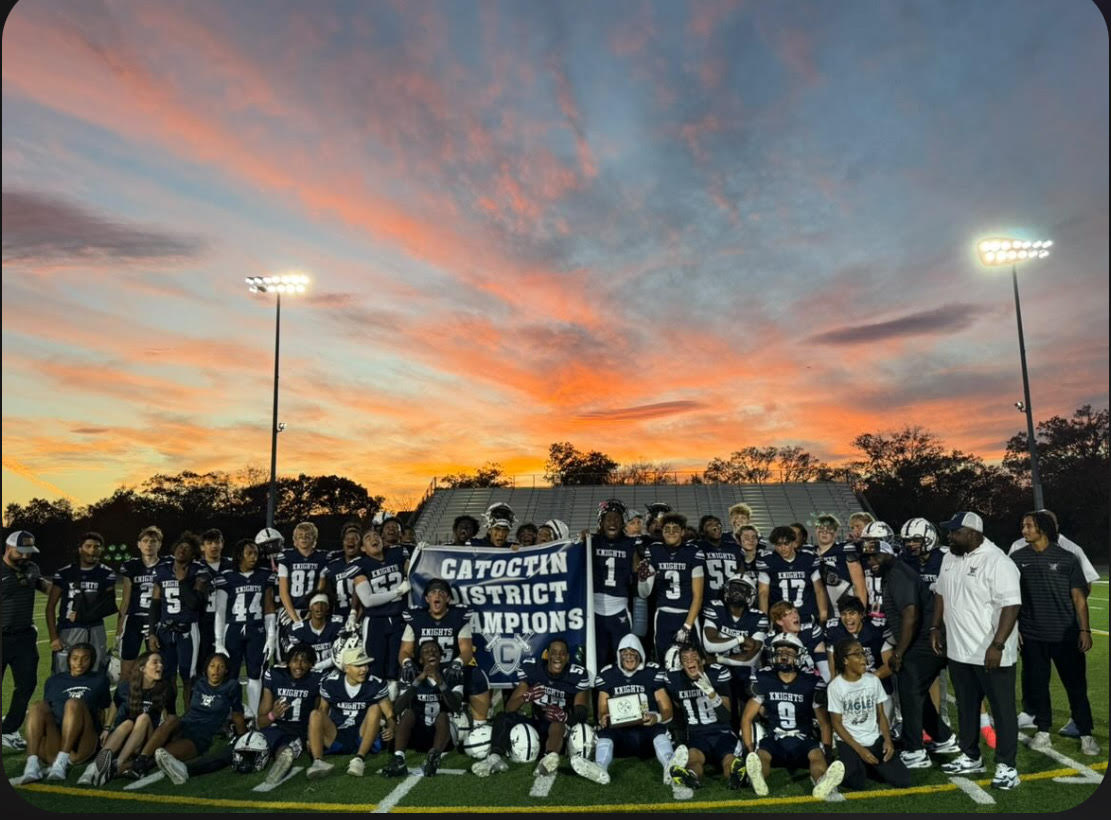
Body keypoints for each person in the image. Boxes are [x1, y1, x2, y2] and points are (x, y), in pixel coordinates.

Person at [931, 512, 1022, 790]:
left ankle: (1007, 767)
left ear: (973, 533)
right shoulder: (949, 557)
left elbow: (1011, 605)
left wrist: (998, 644)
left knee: (1002, 711)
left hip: (990, 653)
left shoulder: (998, 562)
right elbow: (941, 594)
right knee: (968, 709)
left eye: (955, 532)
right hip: (959, 652)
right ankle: (971, 755)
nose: (950, 536)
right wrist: (936, 627)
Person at [859, 539, 957, 768]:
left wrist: (900, 652)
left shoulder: (898, 574)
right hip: (922, 641)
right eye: (867, 558)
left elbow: (911, 613)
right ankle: (943, 738)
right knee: (915, 692)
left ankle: (915, 750)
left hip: (925, 642)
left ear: (888, 554)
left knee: (910, 692)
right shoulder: (896, 572)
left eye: (875, 556)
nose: (871, 561)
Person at [1010, 511, 1097, 756]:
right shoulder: (1016, 559)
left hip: (1066, 635)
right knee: (1039, 686)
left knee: (1076, 686)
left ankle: (1086, 734)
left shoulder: (1068, 558)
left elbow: (1079, 598)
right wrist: (1016, 628)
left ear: (1043, 529)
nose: (1024, 531)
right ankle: (1043, 732)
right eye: (1023, 525)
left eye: (1028, 526)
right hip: (1033, 635)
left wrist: (1084, 630)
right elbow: (1012, 598)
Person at [570, 634, 692, 800]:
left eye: (633, 654)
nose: (629, 658)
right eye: (625, 654)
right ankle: (600, 768)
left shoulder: (652, 672)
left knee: (659, 730)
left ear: (640, 654)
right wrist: (604, 717)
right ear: (619, 655)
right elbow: (602, 709)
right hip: (620, 737)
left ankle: (670, 765)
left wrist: (656, 717)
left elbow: (667, 711)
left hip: (647, 734)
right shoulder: (608, 674)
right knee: (605, 732)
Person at [740, 633, 843, 799]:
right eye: (779, 651)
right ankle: (758, 780)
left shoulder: (811, 681)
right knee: (761, 758)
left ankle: (822, 782)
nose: (783, 656)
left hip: (803, 738)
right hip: (774, 738)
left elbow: (824, 723)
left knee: (817, 757)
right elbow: (747, 718)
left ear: (800, 655)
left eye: (789, 651)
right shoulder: (764, 678)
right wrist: (750, 751)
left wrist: (827, 752)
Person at [471, 636, 590, 779]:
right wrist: (527, 696)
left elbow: (582, 711)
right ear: (547, 654)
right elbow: (510, 707)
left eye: (562, 653)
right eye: (554, 652)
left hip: (561, 726)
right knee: (503, 716)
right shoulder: (534, 669)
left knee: (557, 721)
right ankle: (494, 757)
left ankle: (549, 758)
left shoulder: (577, 674)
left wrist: (565, 716)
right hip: (537, 721)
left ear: (568, 657)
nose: (558, 657)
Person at [133, 652, 248, 786]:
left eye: (220, 667)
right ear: (206, 668)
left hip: (202, 733)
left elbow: (237, 714)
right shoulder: (199, 683)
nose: (215, 670)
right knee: (171, 719)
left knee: (161, 754)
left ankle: (137, 765)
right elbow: (189, 709)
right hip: (185, 723)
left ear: (226, 670)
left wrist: (244, 738)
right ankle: (141, 759)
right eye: (212, 666)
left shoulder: (231, 686)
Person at [400, 578, 491, 724]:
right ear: (427, 598)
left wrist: (457, 663)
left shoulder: (458, 617)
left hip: (450, 669)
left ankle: (480, 725)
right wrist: (407, 663)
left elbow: (467, 650)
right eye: (433, 592)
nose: (437, 596)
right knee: (405, 672)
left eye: (442, 592)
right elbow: (404, 651)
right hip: (424, 670)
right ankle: (401, 721)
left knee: (476, 676)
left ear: (448, 598)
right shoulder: (416, 618)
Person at [18, 642, 111, 783]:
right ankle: (32, 765)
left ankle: (61, 762)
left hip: (83, 743)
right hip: (55, 742)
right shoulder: (53, 681)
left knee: (73, 703)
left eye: (85, 658)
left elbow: (105, 709)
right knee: (37, 706)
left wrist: (106, 730)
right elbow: (45, 714)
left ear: (92, 660)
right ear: (68, 659)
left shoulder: (99, 680)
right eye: (75, 658)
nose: (79, 663)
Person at [827, 638, 912, 791]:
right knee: (856, 783)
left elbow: (881, 715)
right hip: (850, 743)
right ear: (845, 660)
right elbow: (837, 724)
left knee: (903, 780)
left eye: (863, 654)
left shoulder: (873, 681)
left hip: (874, 740)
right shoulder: (835, 687)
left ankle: (865, 766)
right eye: (857, 655)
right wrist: (860, 750)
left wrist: (887, 741)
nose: (864, 659)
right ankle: (853, 764)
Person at [78, 650, 174, 785]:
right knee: (127, 723)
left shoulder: (165, 689)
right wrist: (106, 728)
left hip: (146, 742)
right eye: (155, 662)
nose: (160, 666)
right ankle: (93, 768)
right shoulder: (125, 687)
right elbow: (115, 705)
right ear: (142, 669)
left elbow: (169, 717)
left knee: (144, 718)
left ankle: (117, 764)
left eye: (161, 663)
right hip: (123, 738)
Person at [664, 643, 746, 791]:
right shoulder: (675, 679)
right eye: (685, 659)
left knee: (728, 760)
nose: (689, 661)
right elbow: (677, 708)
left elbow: (726, 716)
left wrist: (712, 695)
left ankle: (736, 776)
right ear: (681, 664)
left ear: (702, 661)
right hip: (697, 734)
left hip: (722, 733)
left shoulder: (717, 673)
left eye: (694, 657)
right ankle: (690, 776)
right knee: (694, 759)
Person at [306, 645, 395, 779]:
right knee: (315, 714)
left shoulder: (375, 684)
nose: (364, 669)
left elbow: (389, 714)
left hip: (363, 735)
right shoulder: (331, 684)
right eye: (359, 666)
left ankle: (359, 759)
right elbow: (322, 712)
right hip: (337, 735)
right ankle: (318, 761)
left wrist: (392, 727)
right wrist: (313, 737)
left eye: (365, 665)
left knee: (375, 708)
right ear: (347, 668)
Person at [212, 537, 276, 718]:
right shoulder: (227, 577)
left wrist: (271, 635)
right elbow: (221, 610)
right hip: (233, 629)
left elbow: (269, 606)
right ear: (239, 555)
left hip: (256, 629)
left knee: (256, 674)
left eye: (255, 553)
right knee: (230, 674)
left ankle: (255, 715)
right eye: (249, 553)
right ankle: (233, 714)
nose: (254, 557)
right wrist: (219, 641)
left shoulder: (264, 575)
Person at [383, 639, 463, 778]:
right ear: (420, 660)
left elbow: (456, 707)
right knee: (408, 714)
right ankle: (398, 759)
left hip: (442, 736)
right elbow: (397, 709)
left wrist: (441, 683)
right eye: (426, 652)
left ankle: (433, 759)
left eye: (434, 651)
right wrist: (417, 681)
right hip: (416, 734)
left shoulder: (452, 675)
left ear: (441, 656)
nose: (431, 653)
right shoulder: (410, 675)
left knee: (442, 715)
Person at [148, 531, 211, 709]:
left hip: (188, 630)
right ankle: (170, 716)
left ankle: (189, 717)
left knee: (188, 676)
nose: (182, 550)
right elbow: (155, 604)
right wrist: (152, 633)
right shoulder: (162, 570)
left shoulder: (199, 571)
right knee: (166, 676)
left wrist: (183, 583)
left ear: (193, 555)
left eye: (187, 549)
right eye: (180, 546)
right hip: (165, 630)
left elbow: (195, 604)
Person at [2, 530, 51, 750]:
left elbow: (42, 585)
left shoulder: (31, 568)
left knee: (27, 684)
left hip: (24, 637)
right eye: (20, 552)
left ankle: (9, 729)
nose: (24, 557)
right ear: (8, 548)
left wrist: (64, 589)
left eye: (28, 553)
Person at [701, 574, 768, 730]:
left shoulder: (758, 618)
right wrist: (741, 639)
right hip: (719, 670)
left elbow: (750, 659)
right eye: (734, 588)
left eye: (742, 589)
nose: (737, 593)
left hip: (742, 671)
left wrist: (718, 659)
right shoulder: (716, 607)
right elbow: (710, 644)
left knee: (750, 690)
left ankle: (755, 731)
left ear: (750, 595)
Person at [637, 512, 706, 663]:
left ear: (682, 531)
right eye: (667, 528)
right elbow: (644, 593)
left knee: (695, 661)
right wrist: (642, 580)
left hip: (687, 615)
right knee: (664, 661)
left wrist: (687, 625)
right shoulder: (655, 551)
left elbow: (698, 595)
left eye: (675, 528)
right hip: (663, 616)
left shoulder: (693, 552)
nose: (671, 532)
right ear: (662, 532)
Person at [46, 532, 117, 673]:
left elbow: (109, 606)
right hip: (69, 629)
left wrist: (85, 615)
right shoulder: (65, 573)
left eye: (96, 547)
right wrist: (54, 637)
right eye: (88, 546)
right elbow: (50, 607)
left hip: (96, 628)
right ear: (80, 549)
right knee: (64, 671)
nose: (92, 550)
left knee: (96, 670)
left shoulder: (107, 573)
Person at [355, 526, 410, 697]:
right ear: (363, 547)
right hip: (376, 620)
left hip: (399, 617)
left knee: (396, 666)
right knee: (375, 665)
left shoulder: (397, 554)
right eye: (368, 537)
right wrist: (398, 592)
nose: (373, 538)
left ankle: (393, 708)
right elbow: (367, 600)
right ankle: (375, 706)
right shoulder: (360, 565)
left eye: (376, 535)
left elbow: (413, 573)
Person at [256, 642, 322, 785]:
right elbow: (260, 722)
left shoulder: (316, 680)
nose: (299, 665)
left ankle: (282, 762)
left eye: (304, 661)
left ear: (311, 664)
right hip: (274, 726)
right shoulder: (275, 675)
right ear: (287, 662)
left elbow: (318, 714)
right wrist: (273, 714)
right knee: (246, 743)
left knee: (286, 748)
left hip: (298, 731)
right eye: (295, 660)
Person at [590, 499, 641, 668]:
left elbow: (638, 574)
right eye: (609, 518)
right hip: (593, 610)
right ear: (601, 522)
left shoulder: (631, 544)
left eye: (617, 519)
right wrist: (581, 540)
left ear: (623, 523)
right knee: (597, 658)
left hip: (620, 608)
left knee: (622, 657)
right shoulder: (591, 541)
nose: (613, 522)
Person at [117, 525, 164, 683]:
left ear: (160, 544)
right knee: (126, 670)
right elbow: (126, 599)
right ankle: (123, 705)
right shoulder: (131, 566)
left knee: (157, 669)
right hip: (134, 619)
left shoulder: (166, 565)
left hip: (156, 620)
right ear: (139, 544)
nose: (149, 544)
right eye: (145, 541)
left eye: (153, 541)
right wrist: (119, 626)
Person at [757, 526, 829, 627]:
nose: (782, 548)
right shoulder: (768, 560)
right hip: (780, 617)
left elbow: (819, 590)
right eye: (778, 545)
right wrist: (764, 619)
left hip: (805, 614)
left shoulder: (808, 559)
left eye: (786, 544)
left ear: (794, 543)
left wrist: (823, 613)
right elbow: (763, 593)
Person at [812, 514, 868, 621]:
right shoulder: (810, 553)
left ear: (836, 532)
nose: (824, 532)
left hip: (843, 608)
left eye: (829, 529)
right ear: (815, 530)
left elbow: (859, 584)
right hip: (818, 609)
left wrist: (861, 611)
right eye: (821, 529)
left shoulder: (845, 549)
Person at [197, 529, 234, 678]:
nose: (214, 546)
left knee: (227, 663)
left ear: (222, 544)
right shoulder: (196, 566)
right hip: (203, 621)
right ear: (202, 546)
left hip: (229, 621)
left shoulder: (232, 565)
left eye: (217, 542)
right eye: (209, 543)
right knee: (202, 663)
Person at [289, 593, 344, 672]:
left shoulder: (337, 624)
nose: (319, 607)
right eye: (316, 604)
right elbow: (293, 654)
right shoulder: (299, 630)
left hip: (333, 669)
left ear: (328, 607)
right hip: (307, 671)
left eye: (323, 604)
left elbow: (342, 652)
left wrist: (319, 666)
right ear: (310, 607)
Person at [698, 514, 743, 603]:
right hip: (707, 600)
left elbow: (741, 573)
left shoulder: (734, 548)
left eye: (717, 524)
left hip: (731, 600)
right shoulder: (698, 548)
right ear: (702, 532)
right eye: (709, 525)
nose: (715, 527)